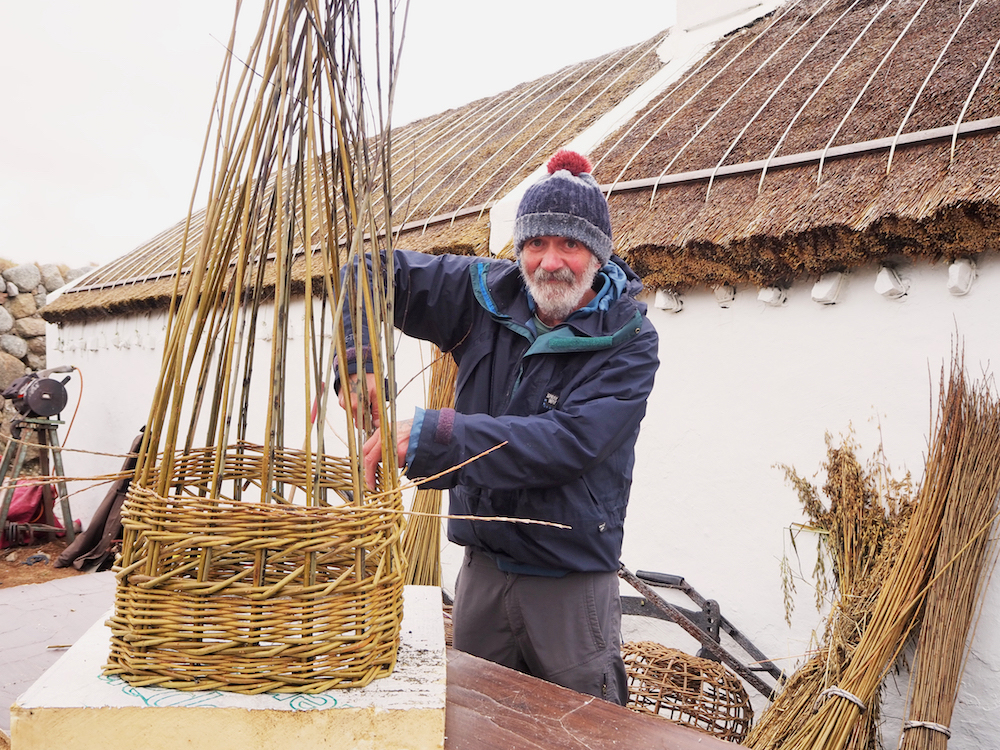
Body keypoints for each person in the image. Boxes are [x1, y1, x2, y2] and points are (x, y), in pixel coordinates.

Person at [338, 149, 659, 704]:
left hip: (568, 585)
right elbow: (368, 270)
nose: (550, 261)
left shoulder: (630, 341)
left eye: (570, 244)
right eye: (536, 242)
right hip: (482, 575)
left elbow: (564, 444)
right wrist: (358, 356)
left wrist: (434, 435)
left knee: (580, 736)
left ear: (598, 256)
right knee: (471, 725)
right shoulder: (484, 293)